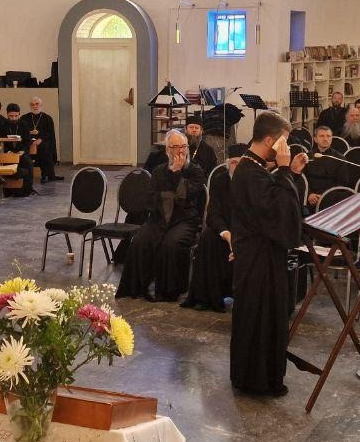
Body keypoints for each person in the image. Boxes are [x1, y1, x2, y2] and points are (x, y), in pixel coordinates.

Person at [229, 112, 307, 397]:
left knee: (262, 316)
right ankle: (257, 381)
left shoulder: (253, 168)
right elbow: (278, 213)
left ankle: (255, 376)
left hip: (260, 256)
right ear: (268, 140)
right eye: (283, 142)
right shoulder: (251, 172)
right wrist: (285, 171)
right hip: (258, 259)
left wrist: (291, 173)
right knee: (259, 317)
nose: (285, 148)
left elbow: (273, 200)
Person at [117, 130, 207, 302]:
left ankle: (168, 291)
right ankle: (137, 287)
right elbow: (151, 198)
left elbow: (187, 196)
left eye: (183, 146)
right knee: (140, 241)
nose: (180, 151)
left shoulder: (195, 171)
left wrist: (176, 173)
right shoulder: (159, 171)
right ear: (168, 150)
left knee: (170, 244)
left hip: (185, 220)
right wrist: (169, 196)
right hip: (159, 218)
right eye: (175, 147)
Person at [184, 144, 246, 312]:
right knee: (207, 238)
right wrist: (226, 234)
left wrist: (238, 236)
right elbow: (213, 214)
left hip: (246, 232)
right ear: (228, 164)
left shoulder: (253, 182)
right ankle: (207, 297)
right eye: (234, 163)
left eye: (241, 163)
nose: (237, 167)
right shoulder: (220, 180)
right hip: (224, 229)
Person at [18, 97, 61, 182]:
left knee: (44, 147)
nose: (35, 106)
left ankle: (46, 175)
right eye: (32, 104)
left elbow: (50, 133)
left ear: (41, 105)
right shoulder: (24, 118)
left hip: (42, 141)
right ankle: (24, 174)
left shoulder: (47, 118)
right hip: (28, 141)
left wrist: (40, 139)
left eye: (37, 104)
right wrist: (30, 133)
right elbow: (21, 131)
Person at [304, 126, 346, 209]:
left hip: (331, 198)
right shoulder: (307, 157)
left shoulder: (340, 158)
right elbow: (302, 179)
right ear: (315, 139)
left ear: (331, 138)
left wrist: (324, 195)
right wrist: (309, 194)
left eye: (328, 136)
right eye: (321, 136)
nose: (325, 139)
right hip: (310, 198)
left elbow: (342, 182)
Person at [3, 103, 35, 196]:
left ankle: (28, 190)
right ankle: (8, 189)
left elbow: (28, 141)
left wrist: (22, 151)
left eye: (16, 116)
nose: (13, 118)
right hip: (7, 153)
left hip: (21, 152)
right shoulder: (3, 125)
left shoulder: (24, 125)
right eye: (11, 116)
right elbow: (1, 142)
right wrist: (8, 151)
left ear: (19, 114)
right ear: (7, 114)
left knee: (28, 163)